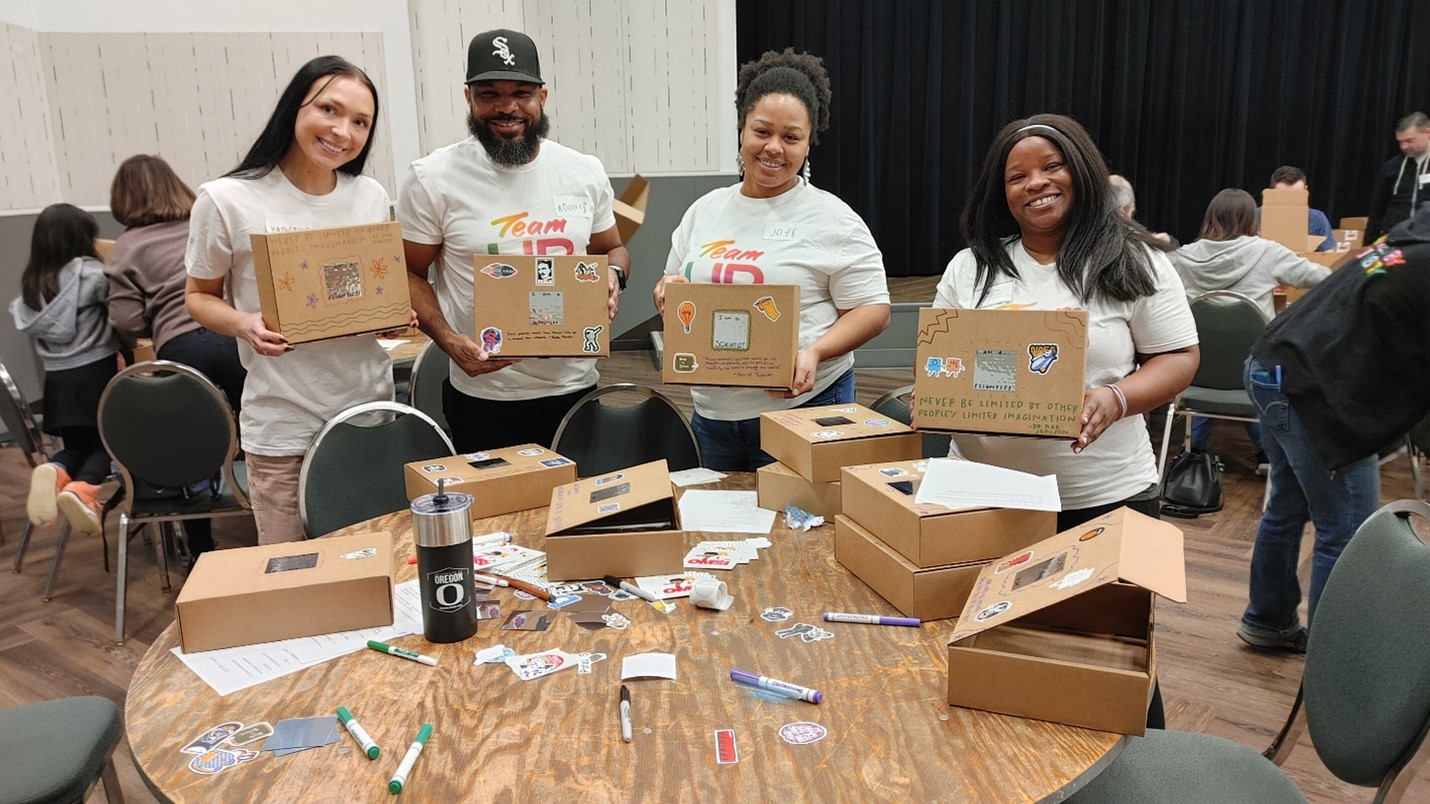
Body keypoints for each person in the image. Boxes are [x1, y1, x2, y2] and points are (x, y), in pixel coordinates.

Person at [934, 114, 1200, 532]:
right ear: (1002, 193)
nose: (1036, 182)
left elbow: (1179, 356)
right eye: (1017, 176)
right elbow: (941, 361)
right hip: (981, 492)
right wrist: (935, 391)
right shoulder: (970, 268)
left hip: (1102, 495)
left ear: (1082, 170)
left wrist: (1116, 398)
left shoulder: (1134, 260)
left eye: (1052, 166)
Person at [186, 55, 400, 544]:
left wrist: (389, 317)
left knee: (370, 565)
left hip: (366, 415)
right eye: (329, 109)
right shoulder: (227, 199)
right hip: (284, 424)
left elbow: (369, 292)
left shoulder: (369, 195)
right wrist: (243, 323)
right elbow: (198, 297)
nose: (342, 131)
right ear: (295, 108)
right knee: (294, 574)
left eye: (360, 122)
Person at [653, 49, 890, 470]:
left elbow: (873, 309)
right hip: (713, 415)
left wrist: (815, 352)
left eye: (791, 137)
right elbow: (676, 284)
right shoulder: (704, 211)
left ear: (808, 142)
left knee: (806, 529)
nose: (773, 148)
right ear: (742, 130)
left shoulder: (833, 218)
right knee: (721, 527)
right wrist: (666, 292)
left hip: (803, 408)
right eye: (762, 131)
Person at [399, 28, 629, 452]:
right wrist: (449, 342)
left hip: (577, 388)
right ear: (468, 97)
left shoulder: (583, 172)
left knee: (577, 512)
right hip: (486, 396)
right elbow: (408, 273)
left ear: (543, 96)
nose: (507, 107)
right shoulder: (432, 178)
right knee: (497, 518)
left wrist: (613, 275)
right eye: (489, 94)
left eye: (521, 92)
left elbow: (612, 248)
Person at [1240, 205, 1430, 653]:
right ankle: (1333, 662)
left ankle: (1267, 620)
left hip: (1272, 366)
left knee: (1286, 508)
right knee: (1345, 531)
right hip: (1312, 390)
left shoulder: (1404, 243)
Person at [105, 154, 248, 561]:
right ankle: (265, 514)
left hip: (179, 352)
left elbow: (127, 320)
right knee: (255, 432)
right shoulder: (200, 224)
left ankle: (200, 547)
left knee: (188, 447)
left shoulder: (126, 248)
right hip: (230, 334)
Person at [1172, 188, 1329, 457]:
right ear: (1250, 220)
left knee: (1213, 355)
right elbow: (1324, 278)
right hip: (1253, 373)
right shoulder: (1268, 253)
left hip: (1196, 373)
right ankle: (1266, 453)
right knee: (1260, 360)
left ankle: (1193, 454)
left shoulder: (1181, 259)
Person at [11, 204, 119, 536]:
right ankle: (83, 489)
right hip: (96, 375)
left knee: (77, 447)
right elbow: (122, 314)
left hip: (57, 382)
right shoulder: (93, 275)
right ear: (82, 238)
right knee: (110, 446)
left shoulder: (32, 284)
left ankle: (57, 469)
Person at [1365, 112, 1430, 241]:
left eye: (1410, 141)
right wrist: (1368, 243)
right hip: (1395, 238)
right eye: (1400, 142)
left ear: (1427, 133)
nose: (1404, 146)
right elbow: (1378, 209)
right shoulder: (1391, 167)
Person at [1266, 165, 1335, 252]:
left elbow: (1328, 253)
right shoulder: (1256, 217)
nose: (1290, 201)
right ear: (1272, 193)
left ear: (1306, 191)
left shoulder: (1317, 218)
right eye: (1283, 196)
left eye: (1296, 196)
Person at [1108, 174, 1177, 247]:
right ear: (1123, 210)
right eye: (1132, 211)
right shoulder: (1129, 241)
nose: (1131, 218)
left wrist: (1169, 240)